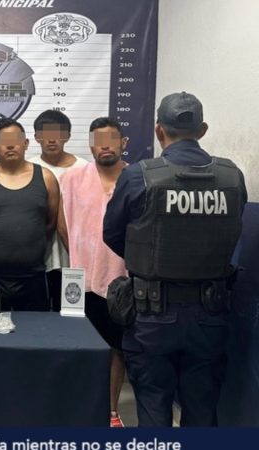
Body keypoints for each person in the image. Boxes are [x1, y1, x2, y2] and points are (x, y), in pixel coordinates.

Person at [103, 92, 247, 426]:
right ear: (203, 130)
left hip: (151, 314)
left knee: (153, 406)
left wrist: (149, 258)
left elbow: (112, 233)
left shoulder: (139, 175)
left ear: (159, 130)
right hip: (211, 312)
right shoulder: (231, 176)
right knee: (202, 408)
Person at [57, 117, 129, 427]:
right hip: (79, 279)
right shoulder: (71, 178)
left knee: (116, 348)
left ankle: (111, 412)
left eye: (111, 139)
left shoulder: (136, 178)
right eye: (98, 141)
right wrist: (80, 256)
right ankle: (78, 408)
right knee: (80, 345)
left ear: (123, 143)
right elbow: (61, 225)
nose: (105, 146)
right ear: (90, 146)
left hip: (121, 280)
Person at [0, 118, 59, 311]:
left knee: (35, 329)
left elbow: (50, 223)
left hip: (32, 277)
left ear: (25, 143)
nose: (9, 145)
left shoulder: (46, 177)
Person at [28, 110, 88, 311]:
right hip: (37, 258)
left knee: (72, 313)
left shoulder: (85, 169)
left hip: (75, 257)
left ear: (67, 136)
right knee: (39, 315)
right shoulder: (28, 168)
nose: (52, 140)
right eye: (45, 134)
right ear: (37, 137)